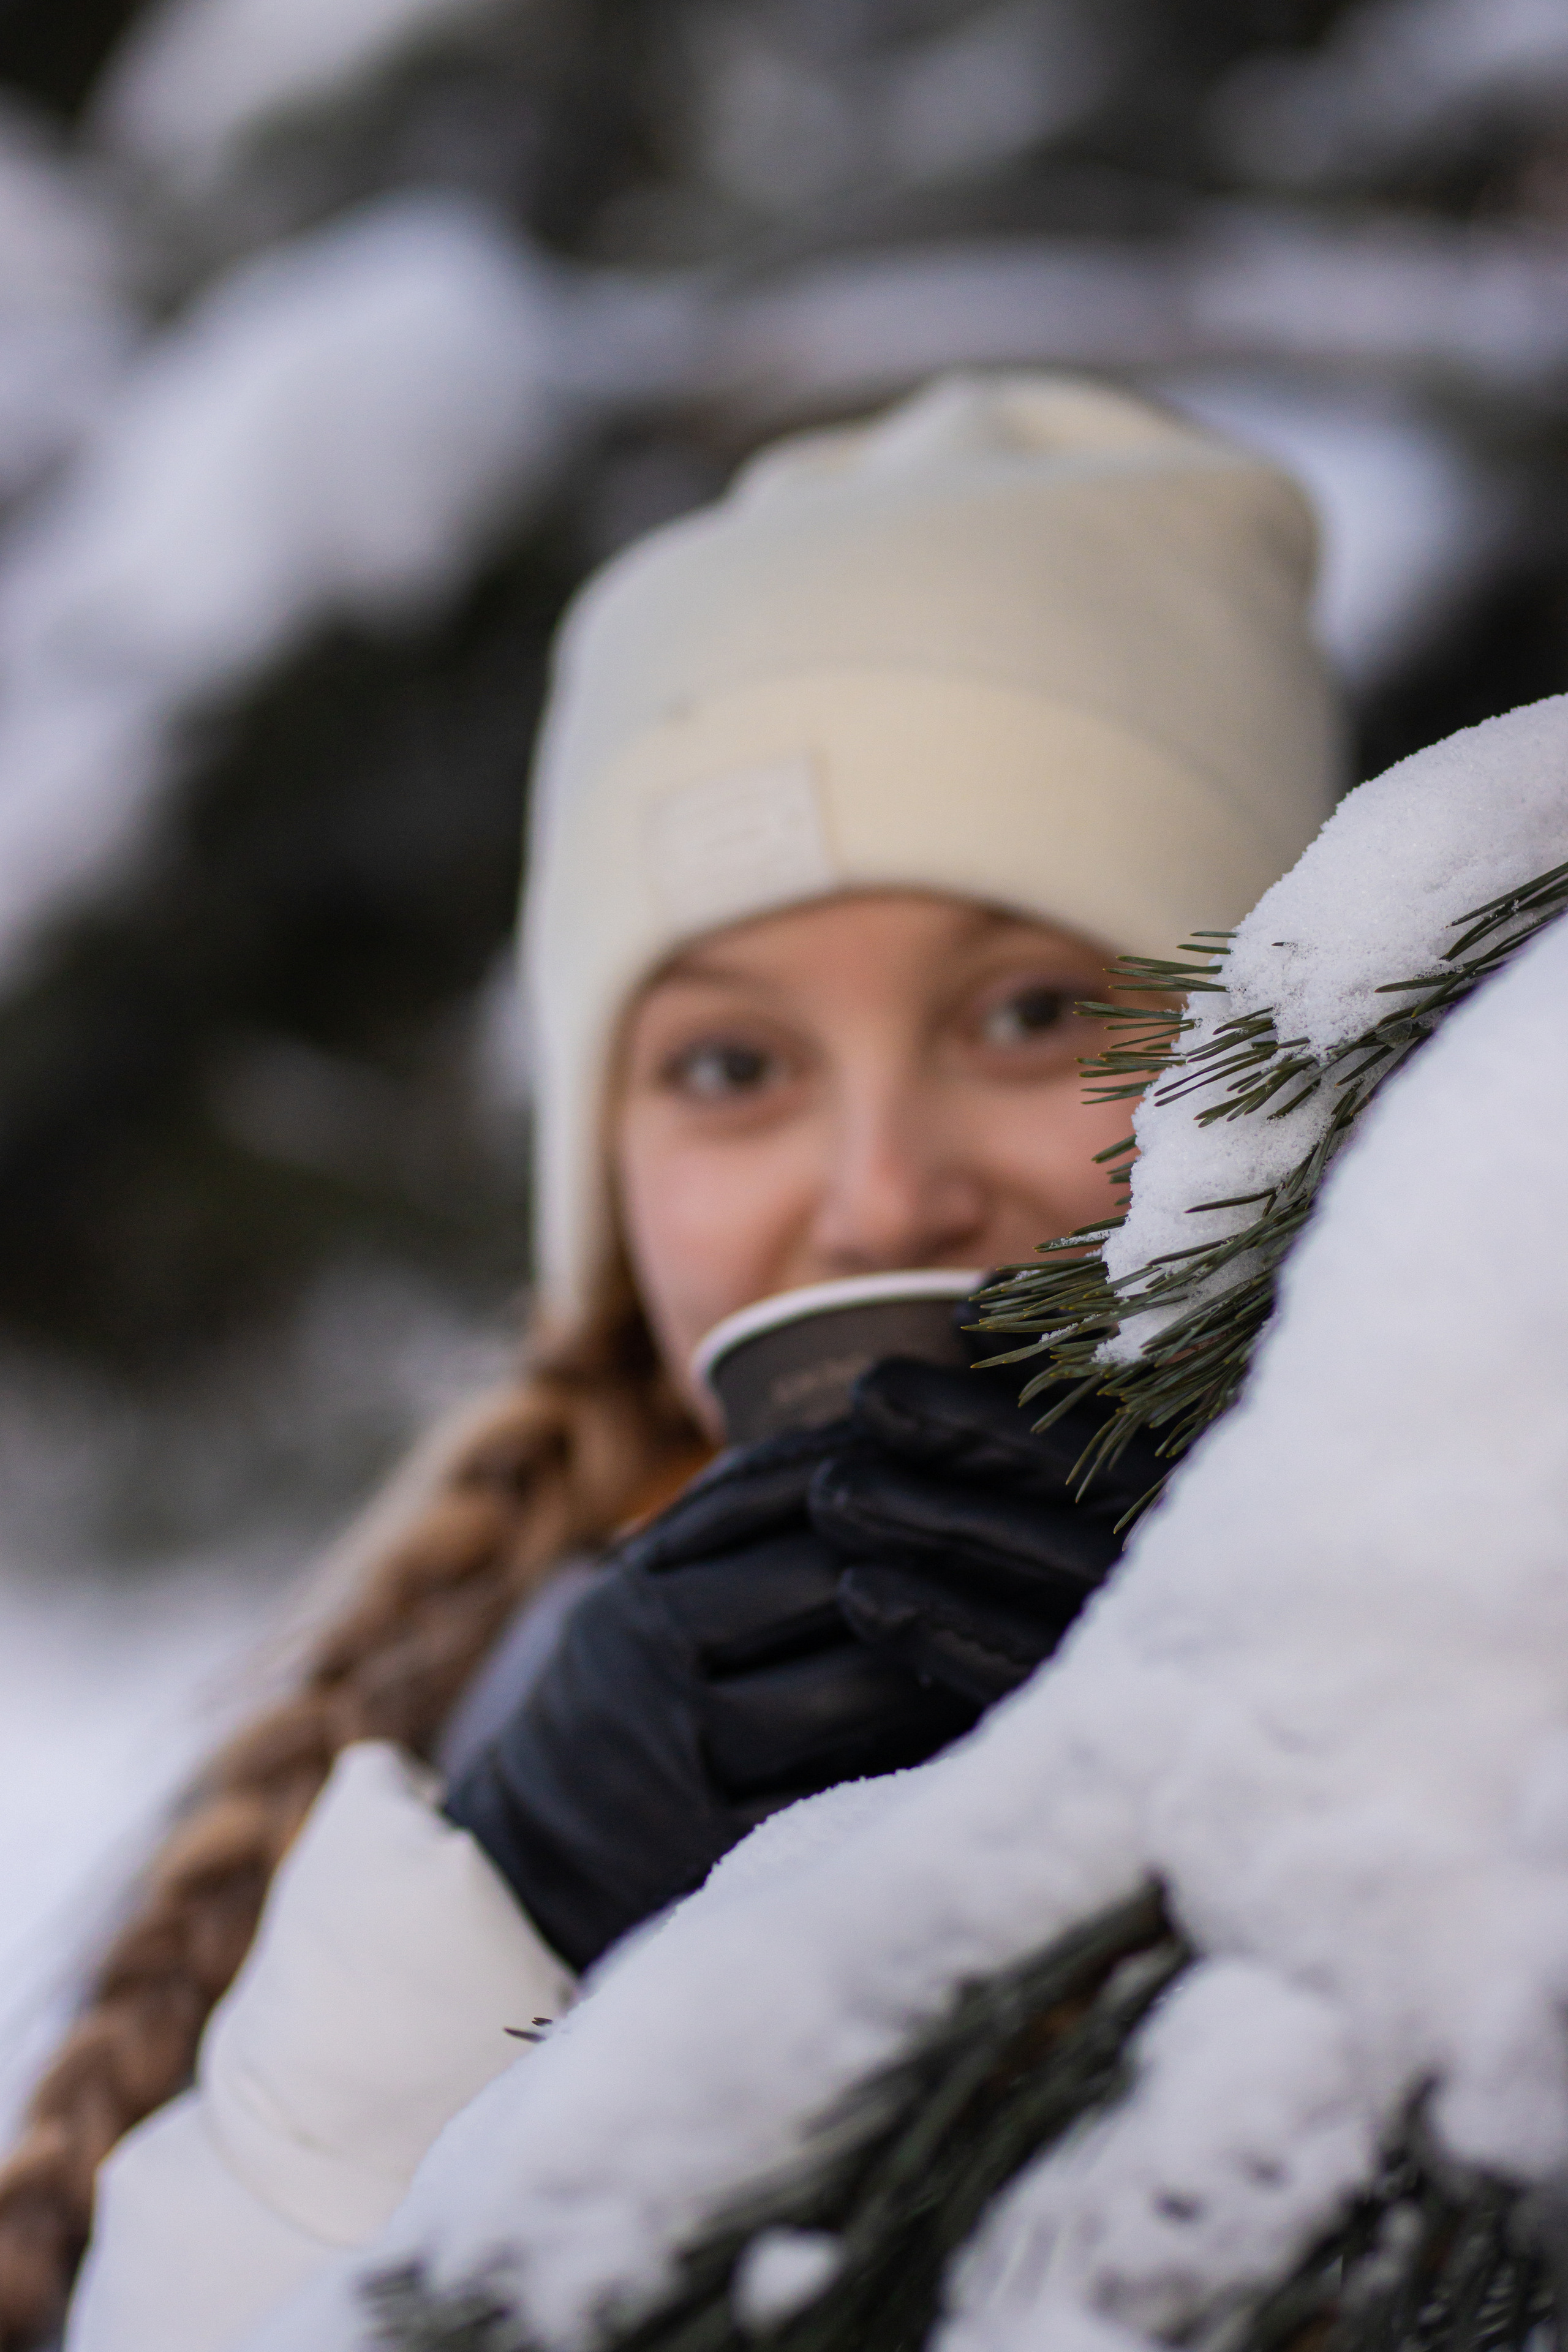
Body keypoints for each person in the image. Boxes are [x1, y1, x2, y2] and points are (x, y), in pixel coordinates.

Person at [0, 371, 1340, 2352]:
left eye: (1034, 1013)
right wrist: (516, 1909)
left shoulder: (1486, 1663)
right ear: (609, 1199)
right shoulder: (458, 1765)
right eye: (731, 1064)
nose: (879, 1197)